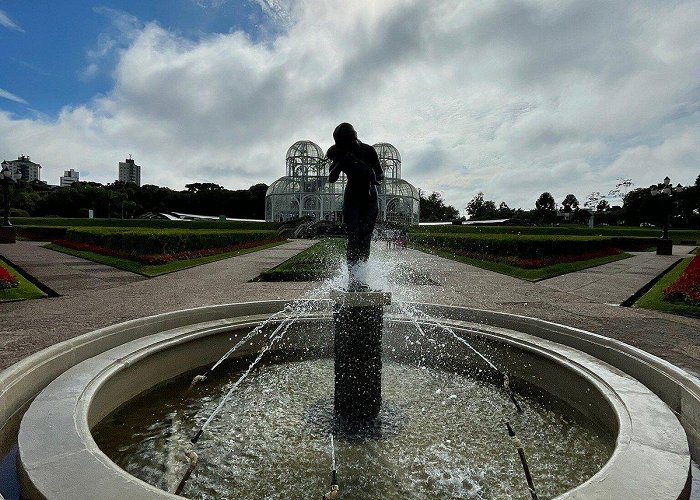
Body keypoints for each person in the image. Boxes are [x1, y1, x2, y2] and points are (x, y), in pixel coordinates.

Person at [327, 123, 384, 289]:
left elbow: (380, 173)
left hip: (369, 197)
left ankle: (362, 277)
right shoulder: (340, 153)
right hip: (352, 198)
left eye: (345, 142)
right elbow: (331, 178)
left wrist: (374, 177)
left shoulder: (368, 151)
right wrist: (341, 162)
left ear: (354, 137)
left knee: (365, 238)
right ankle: (353, 279)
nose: (344, 146)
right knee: (353, 237)